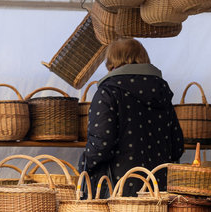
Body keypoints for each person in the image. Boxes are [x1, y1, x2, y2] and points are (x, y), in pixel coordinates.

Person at [79, 37, 184, 195]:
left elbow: (101, 144)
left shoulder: (108, 92)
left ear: (112, 61)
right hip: (159, 189)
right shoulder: (161, 91)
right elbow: (177, 146)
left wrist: (85, 164)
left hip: (119, 190)